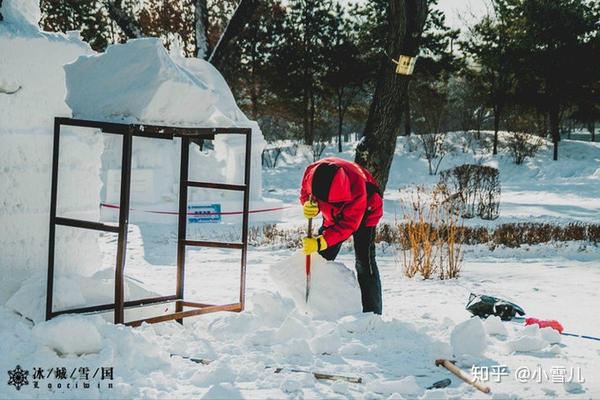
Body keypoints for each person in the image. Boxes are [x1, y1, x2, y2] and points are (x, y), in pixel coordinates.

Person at [300, 157, 384, 314]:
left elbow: (348, 225)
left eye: (334, 203)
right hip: (332, 214)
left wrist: (320, 242)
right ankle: (313, 303)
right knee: (321, 257)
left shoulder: (358, 189)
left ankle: (372, 313)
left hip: (367, 209)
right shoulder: (312, 173)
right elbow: (305, 193)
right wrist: (308, 204)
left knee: (364, 261)